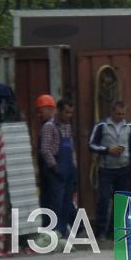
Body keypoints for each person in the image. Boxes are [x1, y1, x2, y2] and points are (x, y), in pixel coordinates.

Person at [89, 101, 131, 240]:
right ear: (112, 112)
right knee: (104, 199)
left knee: (121, 201)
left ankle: (114, 231)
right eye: (118, 114)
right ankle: (100, 231)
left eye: (123, 114)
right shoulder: (101, 126)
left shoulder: (129, 127)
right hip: (106, 169)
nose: (121, 116)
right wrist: (107, 150)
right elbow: (91, 145)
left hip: (124, 169)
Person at [38, 98, 77, 237]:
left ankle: (63, 232)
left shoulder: (67, 126)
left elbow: (71, 149)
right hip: (55, 171)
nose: (69, 116)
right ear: (58, 111)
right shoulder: (49, 126)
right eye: (66, 112)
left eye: (71, 113)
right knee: (56, 204)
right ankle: (53, 233)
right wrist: (55, 167)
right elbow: (45, 150)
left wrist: (74, 167)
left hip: (68, 171)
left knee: (67, 203)